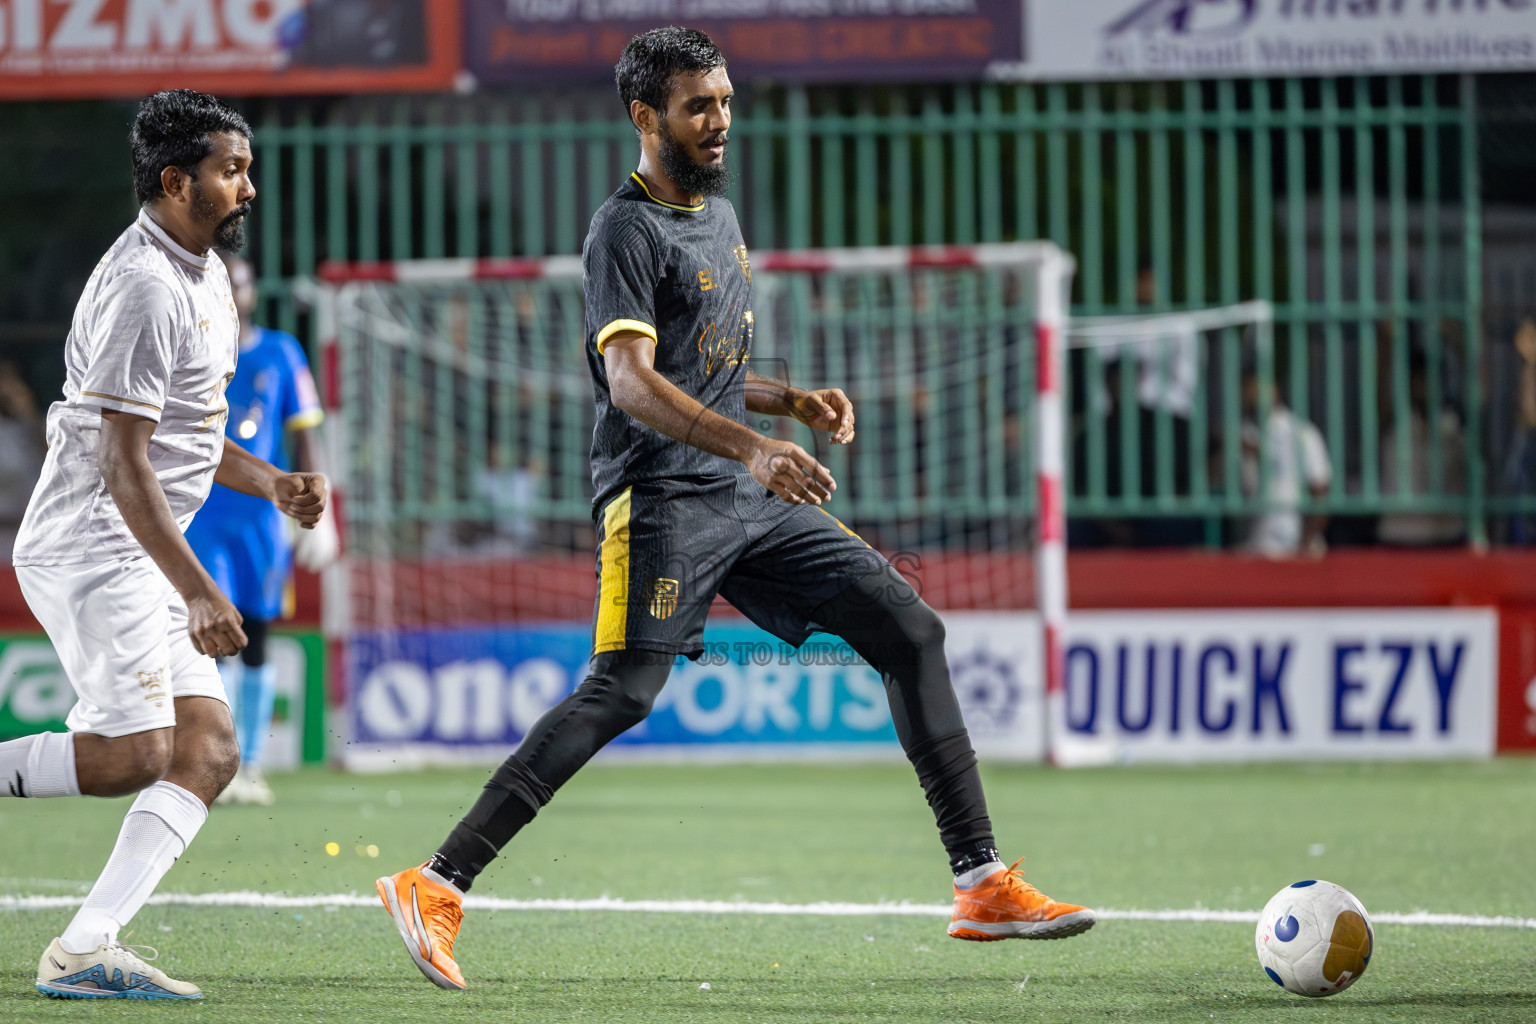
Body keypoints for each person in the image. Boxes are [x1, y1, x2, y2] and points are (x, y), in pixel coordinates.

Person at [375, 27, 1094, 992]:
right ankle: (436, 883)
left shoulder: (718, 213)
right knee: (625, 691)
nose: (720, 121)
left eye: (725, 101)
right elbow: (632, 383)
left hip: (739, 493)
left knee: (910, 630)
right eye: (698, 106)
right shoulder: (621, 232)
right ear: (646, 117)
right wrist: (758, 447)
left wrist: (785, 401)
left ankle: (982, 883)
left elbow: (700, 373)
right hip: (660, 495)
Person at [2, 89, 327, 1001]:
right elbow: (122, 462)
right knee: (135, 753)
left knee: (210, 750)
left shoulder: (206, 276)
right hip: (93, 545)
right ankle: (83, 947)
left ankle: (85, 945)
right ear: (178, 180)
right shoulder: (145, 285)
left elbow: (185, 435)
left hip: (135, 540)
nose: (248, 187)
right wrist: (198, 589)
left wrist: (272, 482)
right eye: (232, 171)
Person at [186, 255, 336, 806]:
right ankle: (215, 763)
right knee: (213, 639)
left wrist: (324, 506)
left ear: (251, 293)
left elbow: (306, 432)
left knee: (259, 636)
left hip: (262, 524)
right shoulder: (193, 354)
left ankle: (250, 764)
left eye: (240, 284)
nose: (232, 294)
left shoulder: (281, 352)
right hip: (203, 517)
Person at [1237, 359, 1331, 558]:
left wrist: (1304, 543)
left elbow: (1321, 495)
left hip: (1295, 549)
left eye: (1258, 384)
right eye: (1247, 386)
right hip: (1257, 550)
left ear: (1276, 388)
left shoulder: (1303, 433)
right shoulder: (1241, 435)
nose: (1252, 392)